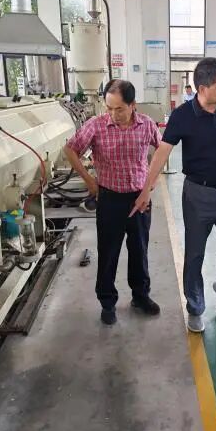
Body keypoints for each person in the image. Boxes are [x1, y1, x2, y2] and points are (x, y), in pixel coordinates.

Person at [131, 58, 216, 333]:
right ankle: (195, 306)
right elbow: (162, 152)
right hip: (197, 194)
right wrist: (146, 189)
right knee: (194, 254)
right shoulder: (182, 115)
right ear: (203, 88)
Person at [63, 79, 161, 325]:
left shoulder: (147, 125)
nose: (113, 114)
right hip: (109, 199)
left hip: (139, 199)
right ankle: (107, 302)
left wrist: (150, 186)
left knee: (139, 250)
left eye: (119, 109)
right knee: (108, 252)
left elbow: (162, 151)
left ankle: (140, 296)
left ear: (133, 105)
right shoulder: (96, 125)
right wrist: (89, 181)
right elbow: (71, 149)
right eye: (109, 108)